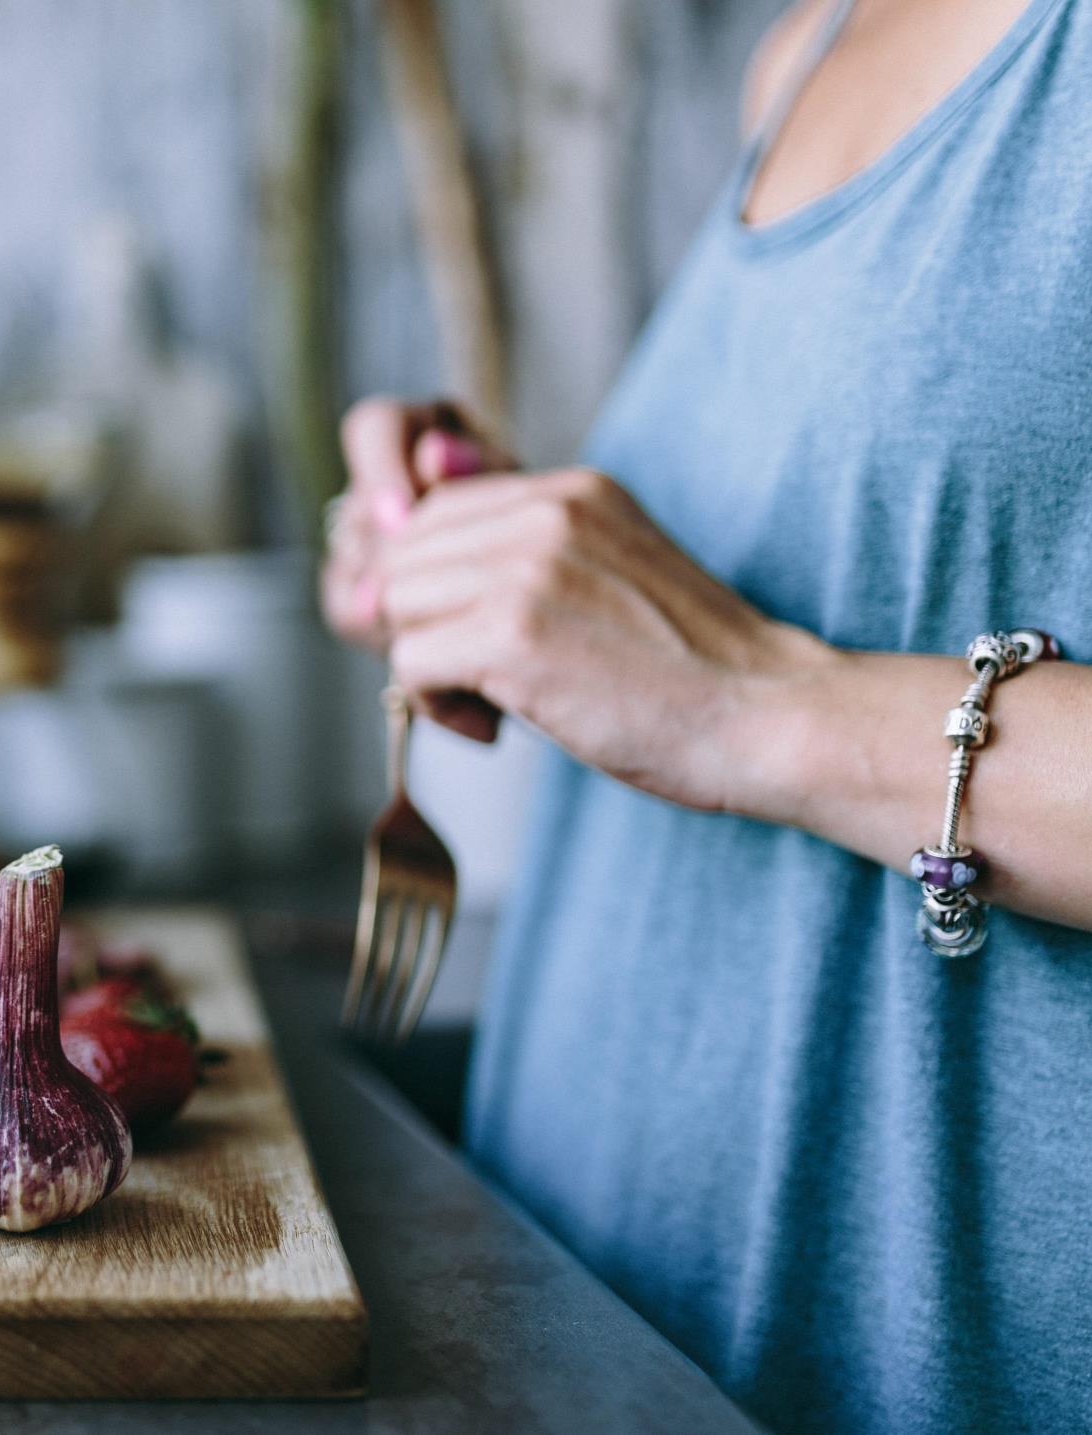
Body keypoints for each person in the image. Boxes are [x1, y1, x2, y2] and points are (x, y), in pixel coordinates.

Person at [320, 1, 1092, 1431]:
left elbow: (743, 679)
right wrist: (507, 564)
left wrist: (742, 695)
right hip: (598, 1350)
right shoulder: (809, 48)